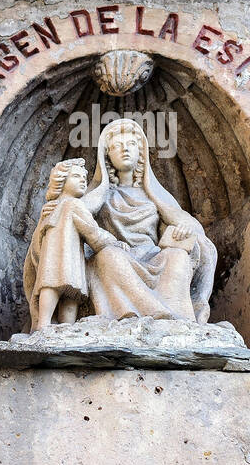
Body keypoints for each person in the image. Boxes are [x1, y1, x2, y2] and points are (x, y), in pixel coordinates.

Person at [82, 117, 216, 323]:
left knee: (177, 257)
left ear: (141, 152)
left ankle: (179, 320)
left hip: (153, 255)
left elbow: (191, 228)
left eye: (131, 144)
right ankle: (137, 315)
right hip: (119, 255)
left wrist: (183, 230)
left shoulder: (155, 195)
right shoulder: (101, 195)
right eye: (117, 146)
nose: (125, 150)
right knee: (108, 257)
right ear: (107, 156)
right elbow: (77, 217)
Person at [22, 158, 120, 330]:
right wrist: (114, 242)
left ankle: (53, 326)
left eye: (84, 177)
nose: (83, 180)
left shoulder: (51, 207)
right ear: (61, 181)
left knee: (65, 291)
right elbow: (92, 232)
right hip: (63, 259)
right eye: (76, 176)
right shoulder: (74, 204)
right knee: (63, 290)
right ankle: (50, 325)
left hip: (64, 258)